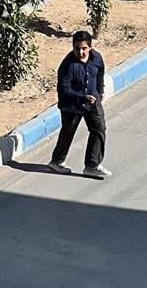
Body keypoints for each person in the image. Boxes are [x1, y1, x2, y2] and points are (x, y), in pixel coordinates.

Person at [46, 30, 109, 178]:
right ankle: (57, 161)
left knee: (99, 129)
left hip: (92, 102)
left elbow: (100, 73)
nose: (80, 52)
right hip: (71, 106)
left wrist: (100, 90)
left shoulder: (96, 58)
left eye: (84, 48)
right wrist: (82, 97)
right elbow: (64, 89)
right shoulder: (68, 65)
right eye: (77, 48)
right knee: (68, 132)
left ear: (90, 47)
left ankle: (92, 165)